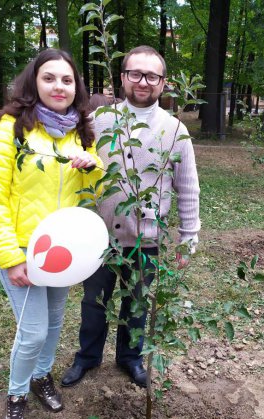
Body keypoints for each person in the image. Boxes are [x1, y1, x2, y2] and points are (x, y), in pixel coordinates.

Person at [0, 48, 103, 419]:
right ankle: (16, 397)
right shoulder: (12, 128)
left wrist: (91, 167)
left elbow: (92, 194)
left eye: (67, 80)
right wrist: (11, 258)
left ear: (76, 87)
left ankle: (41, 376)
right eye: (50, 78)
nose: (59, 86)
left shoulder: (81, 131)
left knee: (52, 324)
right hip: (24, 253)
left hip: (63, 256)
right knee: (31, 331)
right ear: (34, 82)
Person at [61, 46, 201, 389]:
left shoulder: (176, 131)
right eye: (135, 73)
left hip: (146, 239)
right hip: (99, 238)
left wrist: (189, 236)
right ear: (123, 77)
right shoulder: (100, 121)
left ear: (163, 83)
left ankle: (130, 358)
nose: (143, 82)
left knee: (136, 305)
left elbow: (188, 187)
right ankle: (88, 357)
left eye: (152, 76)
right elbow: (70, 160)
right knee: (94, 303)